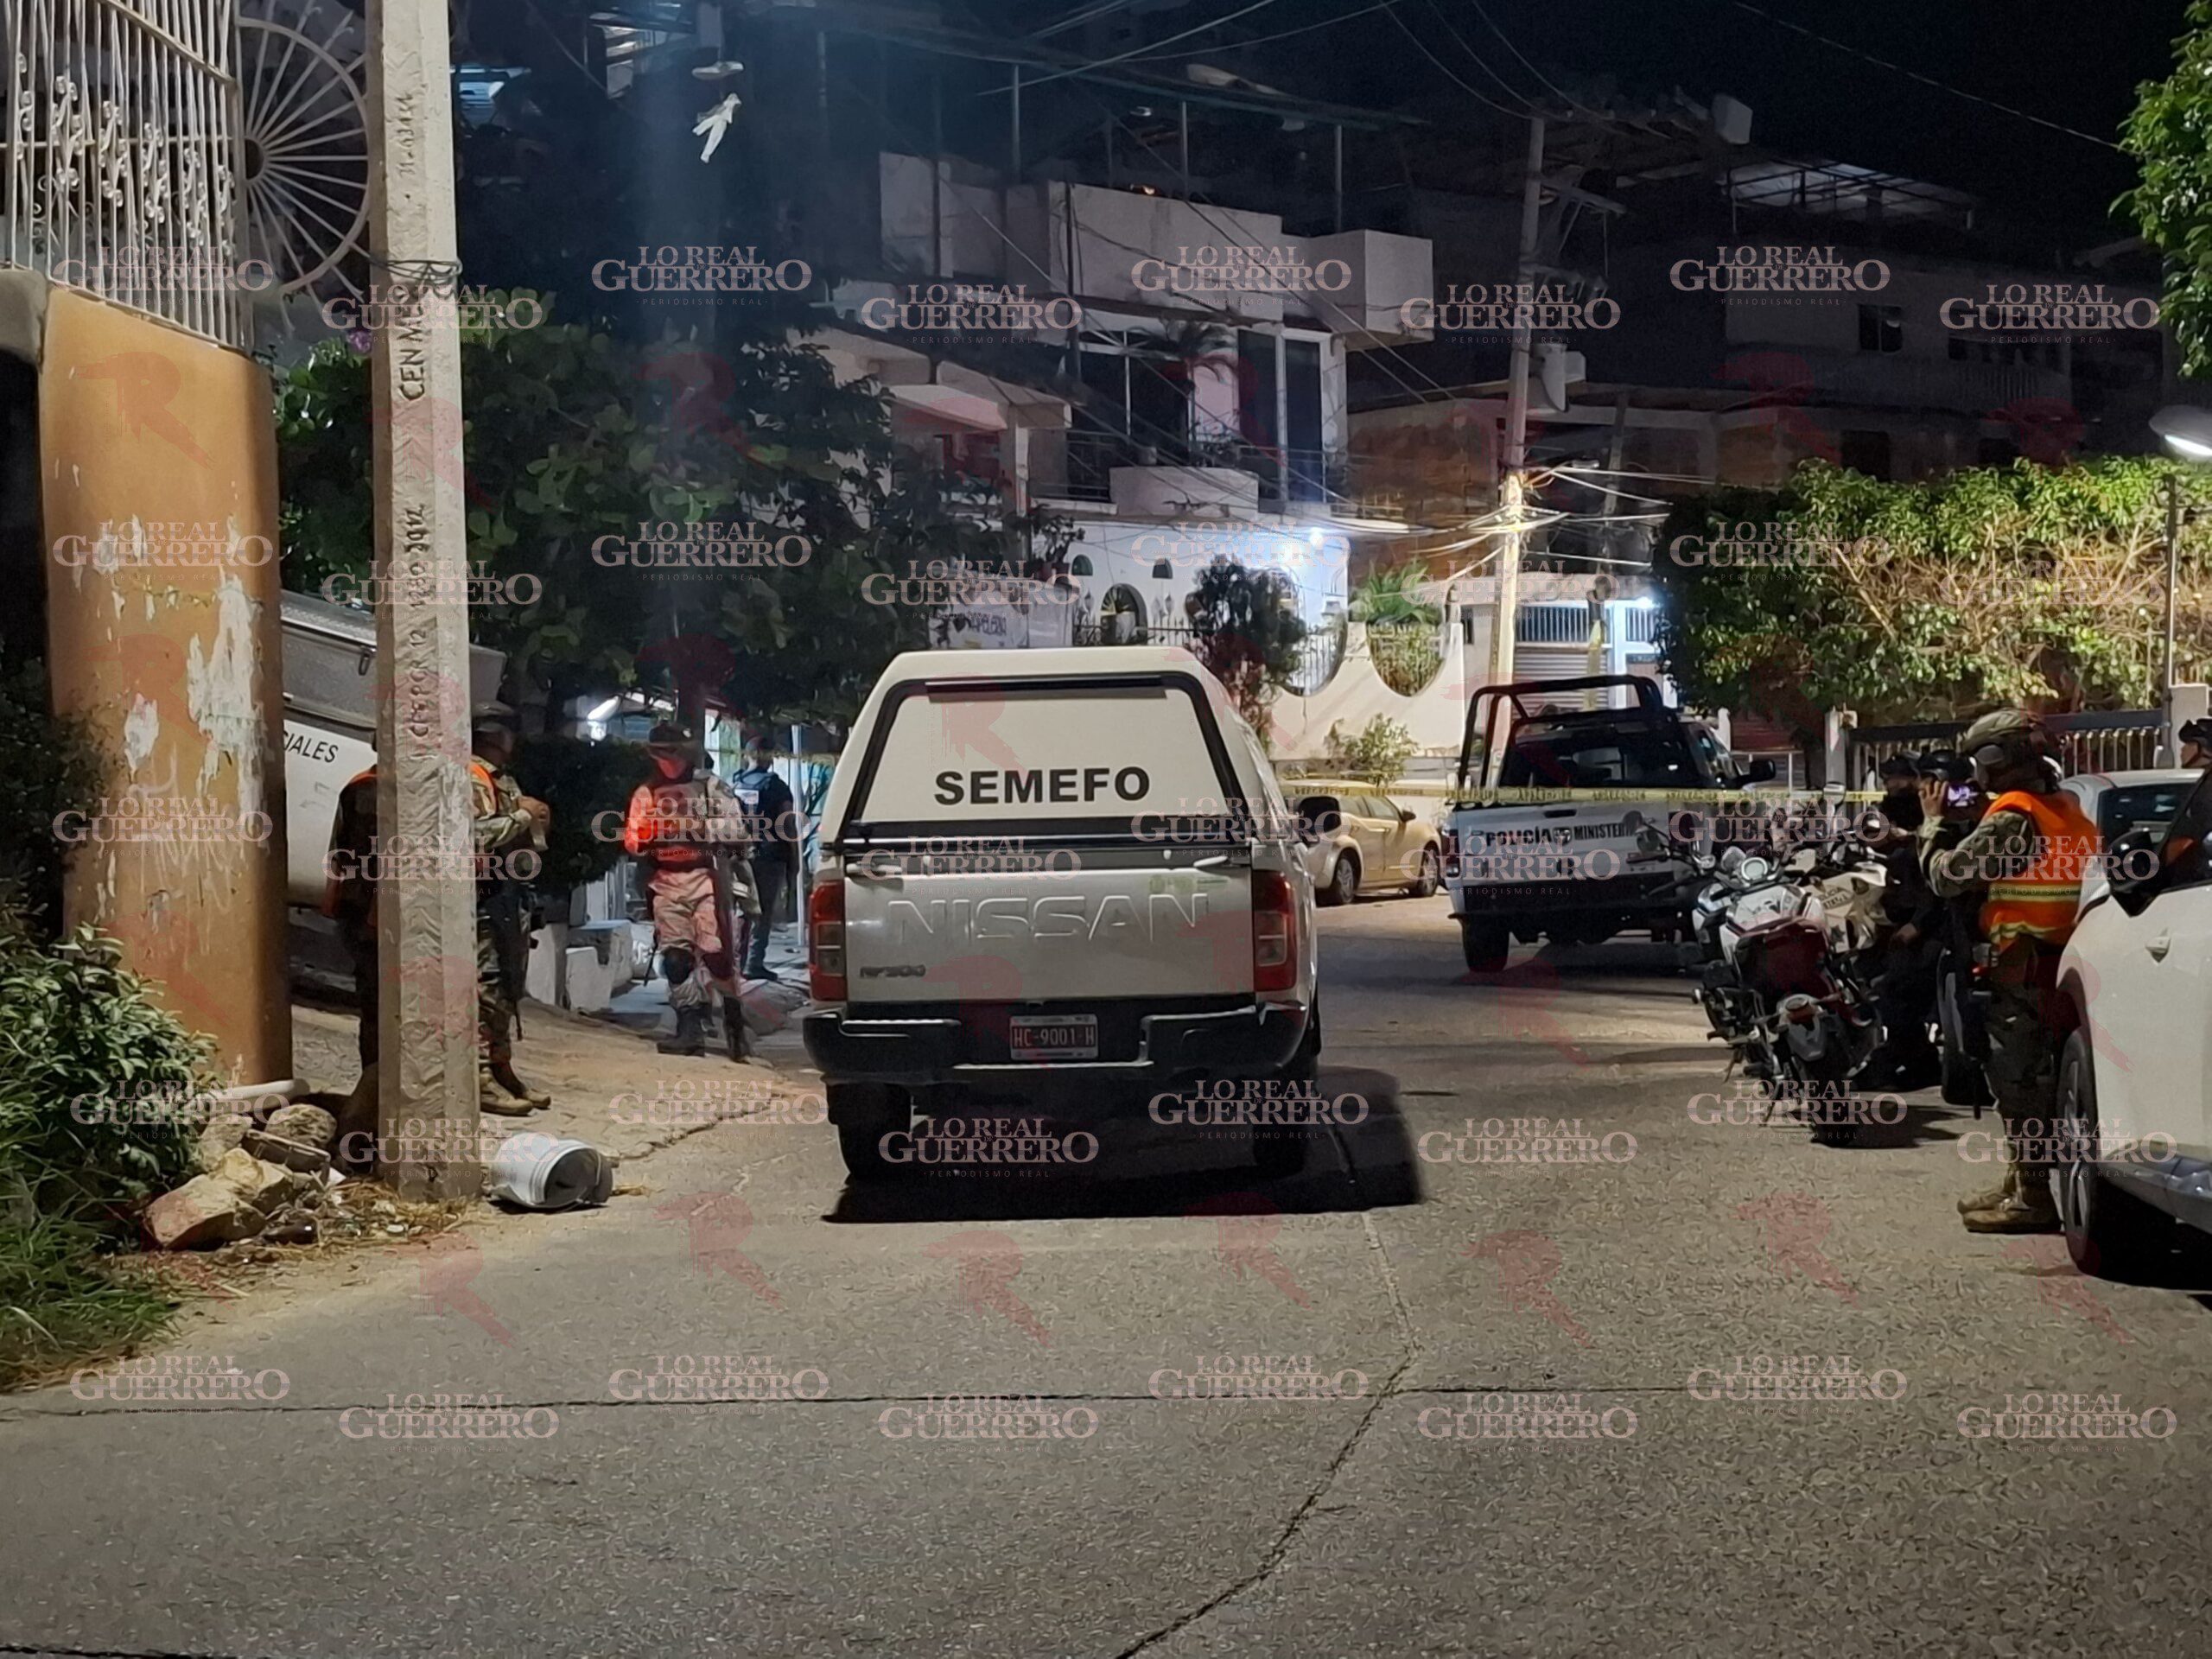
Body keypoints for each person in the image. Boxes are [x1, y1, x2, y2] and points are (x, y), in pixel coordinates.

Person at [1918, 710, 2101, 1233]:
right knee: (2029, 1081)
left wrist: (1932, 824)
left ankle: (2034, 1197)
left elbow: (1949, 877)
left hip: (2022, 971)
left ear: (1995, 760)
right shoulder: (2065, 808)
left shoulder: (2014, 817)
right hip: (2055, 965)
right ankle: (2020, 1181)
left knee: (2019, 1086)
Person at [624, 722, 757, 1058]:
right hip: (666, 881)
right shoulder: (647, 793)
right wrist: (650, 835)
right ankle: (689, 1028)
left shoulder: (711, 788)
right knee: (676, 959)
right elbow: (633, 840)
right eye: (661, 753)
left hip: (706, 879)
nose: (668, 759)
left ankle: (734, 1023)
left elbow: (738, 831)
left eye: (673, 752)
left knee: (717, 956)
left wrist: (697, 827)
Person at [471, 705, 554, 1114]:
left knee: (506, 986)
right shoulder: (472, 775)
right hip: (483, 894)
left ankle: (501, 1068)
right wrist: (523, 815)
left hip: (507, 892)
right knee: (484, 988)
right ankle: (480, 1074)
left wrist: (533, 821)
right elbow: (475, 834)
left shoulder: (501, 778)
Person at [1862, 756, 1941, 1090]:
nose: (1893, 785)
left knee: (1897, 992)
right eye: (1888, 779)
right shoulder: (1884, 812)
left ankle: (1918, 1062)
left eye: (1900, 778)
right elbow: (1867, 838)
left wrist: (1918, 925)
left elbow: (1938, 883)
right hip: (1890, 919)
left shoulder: (1933, 817)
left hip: (1928, 925)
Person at [323, 764, 381, 1073]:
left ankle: (374, 1077)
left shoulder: (361, 785)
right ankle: (373, 1078)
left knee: (376, 1002)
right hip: (368, 909)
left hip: (363, 906)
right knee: (377, 1003)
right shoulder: (372, 790)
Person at [733, 732, 799, 982]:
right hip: (769, 855)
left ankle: (737, 962)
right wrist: (794, 857)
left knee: (742, 910)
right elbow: (787, 824)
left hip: (740, 855)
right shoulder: (776, 786)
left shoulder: (735, 783)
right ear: (769, 757)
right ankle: (753, 962)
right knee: (762, 911)